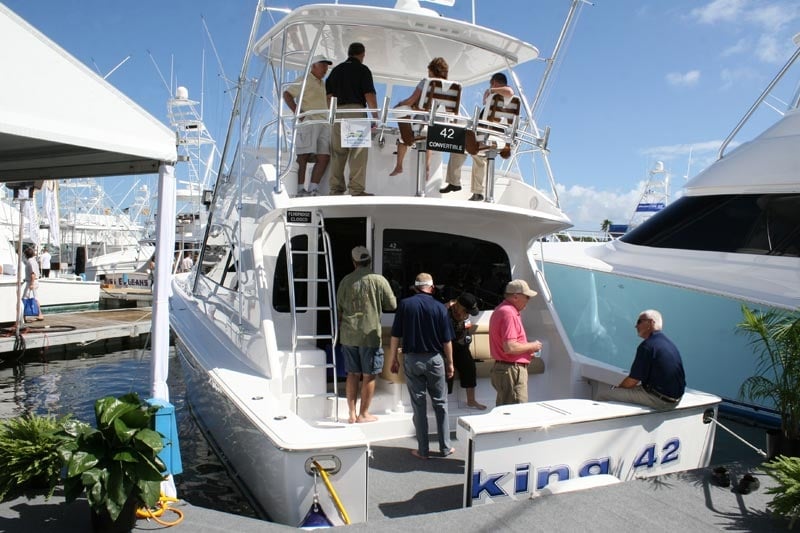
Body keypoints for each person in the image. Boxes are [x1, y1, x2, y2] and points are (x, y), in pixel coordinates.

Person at [387, 273, 455, 459]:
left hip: (412, 359)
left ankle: (423, 450)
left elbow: (395, 336)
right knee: (441, 404)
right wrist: (450, 363)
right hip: (435, 360)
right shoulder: (440, 308)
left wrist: (393, 359)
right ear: (432, 288)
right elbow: (447, 340)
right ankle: (445, 447)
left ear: (415, 288)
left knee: (419, 406)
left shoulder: (405, 305)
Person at [337, 246, 397, 424]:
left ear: (353, 262)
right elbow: (392, 305)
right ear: (369, 261)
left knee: (352, 374)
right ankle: (364, 414)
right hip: (369, 336)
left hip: (348, 335)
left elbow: (339, 308)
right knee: (369, 375)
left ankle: (351, 414)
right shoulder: (379, 280)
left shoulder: (345, 281)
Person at [440, 72, 515, 201]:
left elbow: (510, 91)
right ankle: (476, 192)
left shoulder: (502, 96)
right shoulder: (507, 103)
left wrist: (490, 90)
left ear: (494, 83)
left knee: (458, 141)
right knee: (475, 156)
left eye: (491, 84)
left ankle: (455, 183)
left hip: (485, 138)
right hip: (493, 139)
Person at [595, 310, 686, 409]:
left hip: (659, 400)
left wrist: (617, 389)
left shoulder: (647, 346)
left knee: (603, 395)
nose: (636, 326)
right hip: (676, 399)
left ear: (651, 323)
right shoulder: (669, 344)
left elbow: (632, 380)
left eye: (639, 322)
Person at [325, 42, 379, 196]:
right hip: (355, 111)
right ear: (362, 55)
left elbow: (328, 96)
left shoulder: (335, 71)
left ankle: (335, 189)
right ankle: (356, 190)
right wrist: (375, 116)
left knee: (337, 152)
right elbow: (369, 94)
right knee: (357, 152)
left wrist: (333, 114)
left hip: (336, 113)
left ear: (349, 53)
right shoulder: (363, 70)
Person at [389, 57, 449, 177]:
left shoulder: (426, 82)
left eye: (429, 71)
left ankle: (399, 166)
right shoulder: (450, 87)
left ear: (432, 71)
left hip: (422, 124)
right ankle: (427, 167)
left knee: (403, 137)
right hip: (441, 127)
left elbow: (411, 101)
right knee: (428, 137)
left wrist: (400, 104)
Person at [283, 55, 333, 197]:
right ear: (314, 66)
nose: (325, 69)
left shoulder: (323, 84)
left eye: (326, 66)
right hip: (309, 121)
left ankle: (313, 188)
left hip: (323, 122)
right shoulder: (304, 79)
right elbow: (287, 94)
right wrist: (298, 113)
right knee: (303, 156)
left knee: (324, 157)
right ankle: (299, 190)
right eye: (323, 65)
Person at [488, 279, 542, 405]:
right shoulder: (509, 313)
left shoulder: (502, 310)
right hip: (512, 371)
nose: (528, 300)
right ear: (516, 296)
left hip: (505, 370)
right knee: (517, 413)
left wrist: (527, 353)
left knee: (505, 411)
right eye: (527, 297)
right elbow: (510, 347)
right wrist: (532, 346)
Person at [446, 292, 486, 409]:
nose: (468, 314)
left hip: (460, 345)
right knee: (446, 370)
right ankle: (443, 401)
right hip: (444, 346)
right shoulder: (445, 311)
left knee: (469, 366)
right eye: (467, 311)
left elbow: (466, 328)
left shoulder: (465, 314)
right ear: (460, 306)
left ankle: (471, 400)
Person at [22, 246, 44, 321]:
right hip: (33, 281)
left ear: (26, 255)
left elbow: (33, 274)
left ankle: (24, 316)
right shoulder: (34, 261)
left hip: (32, 282)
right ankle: (38, 314)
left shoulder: (30, 262)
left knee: (25, 298)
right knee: (34, 298)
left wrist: (31, 283)